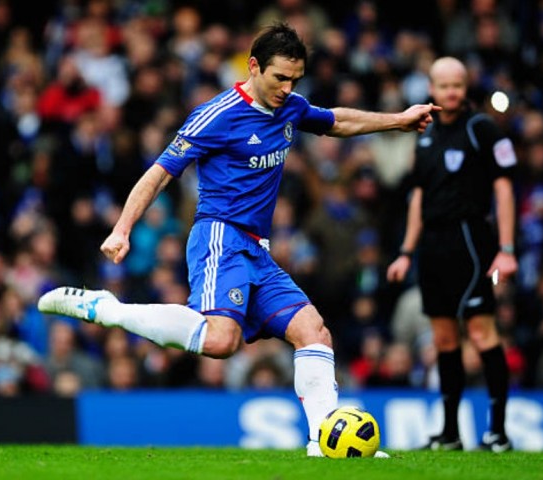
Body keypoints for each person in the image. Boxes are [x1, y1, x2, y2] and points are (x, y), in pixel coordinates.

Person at [37, 22, 438, 457]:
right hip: (219, 237)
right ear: (253, 66)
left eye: (294, 79)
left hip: (257, 249)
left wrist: (398, 120)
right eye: (279, 77)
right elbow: (159, 173)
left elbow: (336, 120)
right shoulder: (218, 114)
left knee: (314, 333)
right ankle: (108, 310)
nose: (287, 88)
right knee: (220, 341)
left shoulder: (290, 107)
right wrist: (122, 228)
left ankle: (325, 440)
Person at [386, 56, 518, 453]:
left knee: (481, 332)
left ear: (465, 86)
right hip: (433, 246)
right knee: (443, 339)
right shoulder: (423, 136)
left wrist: (507, 249)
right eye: (443, 86)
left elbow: (504, 188)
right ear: (431, 88)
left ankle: (497, 431)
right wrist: (406, 251)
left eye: (457, 85)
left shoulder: (482, 129)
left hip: (471, 240)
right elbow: (419, 197)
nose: (451, 92)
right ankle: (449, 433)